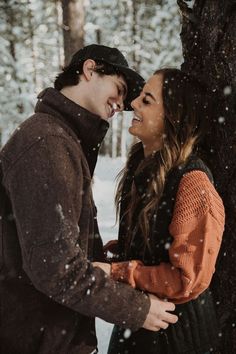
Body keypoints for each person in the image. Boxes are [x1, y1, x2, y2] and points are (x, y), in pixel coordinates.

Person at [0, 45, 178, 354]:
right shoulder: (47, 143)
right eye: (119, 90)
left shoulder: (62, 140)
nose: (121, 104)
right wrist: (138, 309)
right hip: (37, 340)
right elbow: (54, 267)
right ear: (89, 69)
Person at [94, 68, 225, 354]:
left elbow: (186, 279)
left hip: (176, 337)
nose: (134, 104)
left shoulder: (193, 184)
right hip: (138, 326)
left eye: (147, 99)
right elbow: (146, 249)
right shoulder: (141, 169)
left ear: (173, 117)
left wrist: (118, 272)